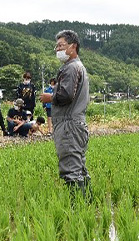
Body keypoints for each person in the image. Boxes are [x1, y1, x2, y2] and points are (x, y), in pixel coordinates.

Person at [40, 30, 92, 203]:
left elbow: (66, 95)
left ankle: (78, 210)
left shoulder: (71, 67)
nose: (57, 49)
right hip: (76, 123)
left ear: (73, 46)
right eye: (57, 46)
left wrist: (50, 97)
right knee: (79, 166)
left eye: (61, 45)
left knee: (71, 168)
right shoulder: (78, 67)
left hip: (69, 124)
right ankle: (87, 205)